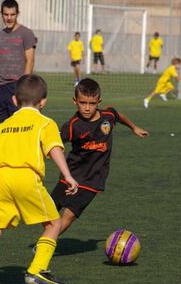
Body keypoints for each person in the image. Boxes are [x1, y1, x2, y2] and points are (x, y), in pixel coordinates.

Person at [0, 74, 78, 284]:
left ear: (14, 100)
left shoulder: (5, 125)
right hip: (26, 177)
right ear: (43, 102)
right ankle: (36, 269)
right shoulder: (45, 123)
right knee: (54, 223)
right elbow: (55, 149)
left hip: (0, 179)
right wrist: (68, 175)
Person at [48, 78, 148, 237]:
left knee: (70, 215)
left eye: (92, 103)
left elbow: (118, 115)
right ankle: (48, 236)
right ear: (75, 101)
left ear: (98, 102)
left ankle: (45, 244)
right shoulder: (73, 126)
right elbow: (54, 144)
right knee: (49, 211)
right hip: (71, 174)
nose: (87, 108)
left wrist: (134, 127)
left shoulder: (107, 117)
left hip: (93, 179)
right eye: (83, 103)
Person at [0, 0, 36, 126]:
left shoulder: (26, 33)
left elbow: (30, 60)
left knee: (19, 128)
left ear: (17, 14)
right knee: (2, 128)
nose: (9, 18)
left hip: (17, 88)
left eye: (12, 14)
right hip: (1, 89)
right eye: (6, 14)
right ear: (1, 14)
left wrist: (24, 87)